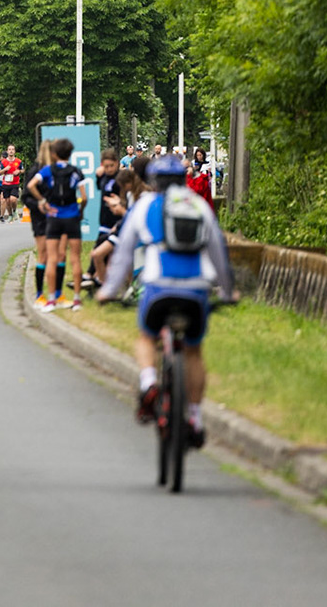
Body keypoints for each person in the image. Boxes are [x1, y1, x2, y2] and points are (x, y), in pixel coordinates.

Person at [97, 153, 236, 448]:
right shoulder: (198, 205)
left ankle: (149, 383)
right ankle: (195, 418)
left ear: (153, 181)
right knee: (194, 352)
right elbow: (219, 255)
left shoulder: (144, 205)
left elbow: (123, 253)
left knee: (147, 337)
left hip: (158, 286)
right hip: (196, 288)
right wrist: (226, 292)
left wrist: (108, 290)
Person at [27, 138, 88, 312]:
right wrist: (81, 210)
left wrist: (43, 201)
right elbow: (83, 197)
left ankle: (51, 299)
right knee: (74, 257)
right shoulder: (76, 171)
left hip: (54, 217)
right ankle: (77, 299)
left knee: (52, 258)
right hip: (72, 217)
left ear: (54, 154)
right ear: (70, 153)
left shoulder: (48, 170)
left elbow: (31, 185)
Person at [84, 147, 126, 292]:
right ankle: (96, 280)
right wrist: (98, 175)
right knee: (102, 251)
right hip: (104, 218)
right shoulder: (104, 176)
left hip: (117, 221)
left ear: (117, 163)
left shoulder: (121, 178)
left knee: (102, 250)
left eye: (111, 166)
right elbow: (99, 187)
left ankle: (92, 276)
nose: (108, 169)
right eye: (105, 166)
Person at [24, 141, 54, 306]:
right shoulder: (36, 171)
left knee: (56, 255)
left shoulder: (58, 171)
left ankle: (55, 293)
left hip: (57, 217)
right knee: (43, 254)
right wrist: (39, 205)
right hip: (40, 218)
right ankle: (40, 293)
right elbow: (26, 196)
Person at [0, 145, 24, 221]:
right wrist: (5, 169)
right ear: (7, 151)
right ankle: (10, 215)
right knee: (8, 201)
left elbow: (22, 170)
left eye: (12, 149)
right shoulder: (4, 162)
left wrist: (19, 171)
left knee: (13, 199)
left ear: (14, 151)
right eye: (9, 149)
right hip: (5, 183)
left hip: (15, 183)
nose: (11, 151)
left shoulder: (18, 161)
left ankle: (15, 210)